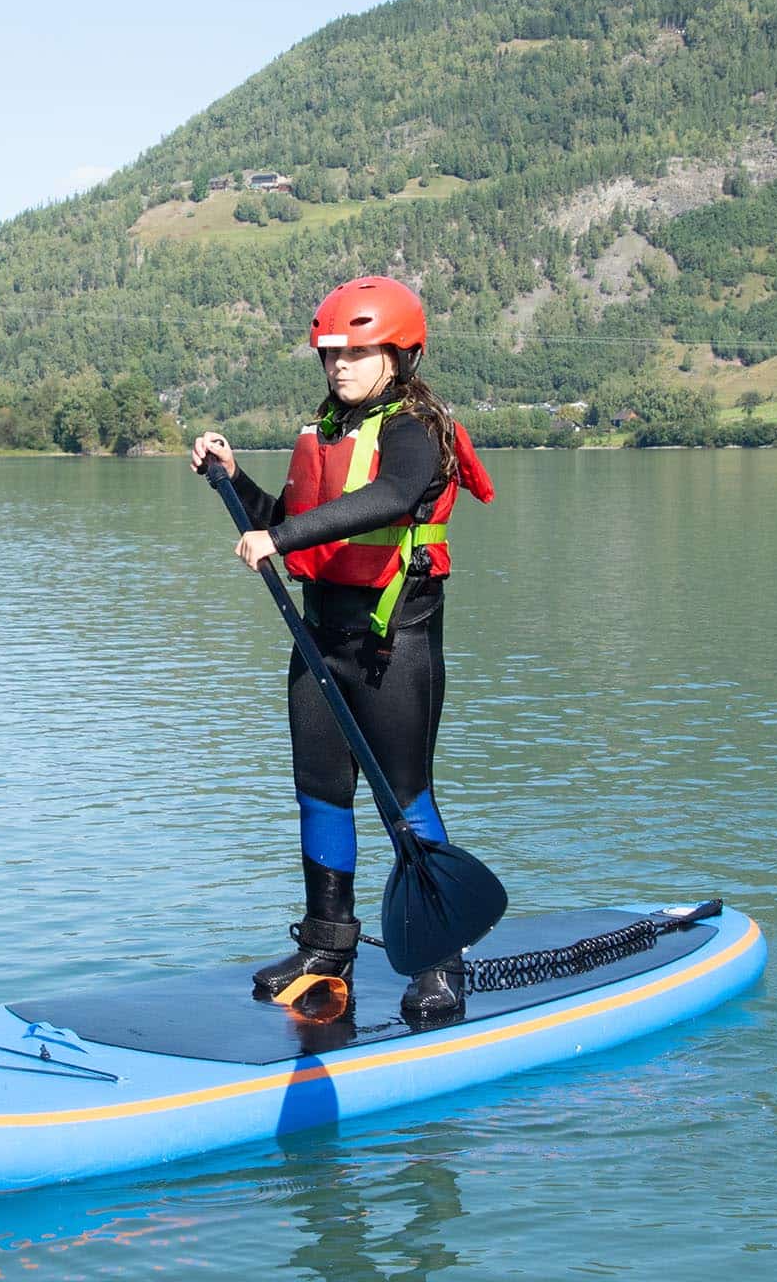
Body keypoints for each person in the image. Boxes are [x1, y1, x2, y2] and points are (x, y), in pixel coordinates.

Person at [191, 276, 495, 1024]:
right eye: (331, 355)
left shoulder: (418, 430)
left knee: (405, 797)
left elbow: (390, 498)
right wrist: (234, 481)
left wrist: (279, 536)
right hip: (319, 638)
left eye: (358, 353)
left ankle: (438, 962)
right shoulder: (328, 432)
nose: (340, 367)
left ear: (400, 354)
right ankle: (327, 947)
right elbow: (292, 522)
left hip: (395, 645)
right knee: (321, 792)